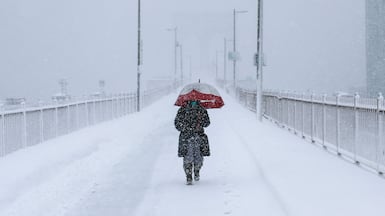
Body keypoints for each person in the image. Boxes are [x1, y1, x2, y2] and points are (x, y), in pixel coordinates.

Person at [174, 100, 210, 185]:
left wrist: (200, 122)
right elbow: (177, 124)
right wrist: (186, 128)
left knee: (197, 157)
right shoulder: (183, 109)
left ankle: (196, 171)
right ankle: (189, 175)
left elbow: (207, 123)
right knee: (189, 156)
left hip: (197, 136)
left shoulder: (201, 109)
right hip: (187, 137)